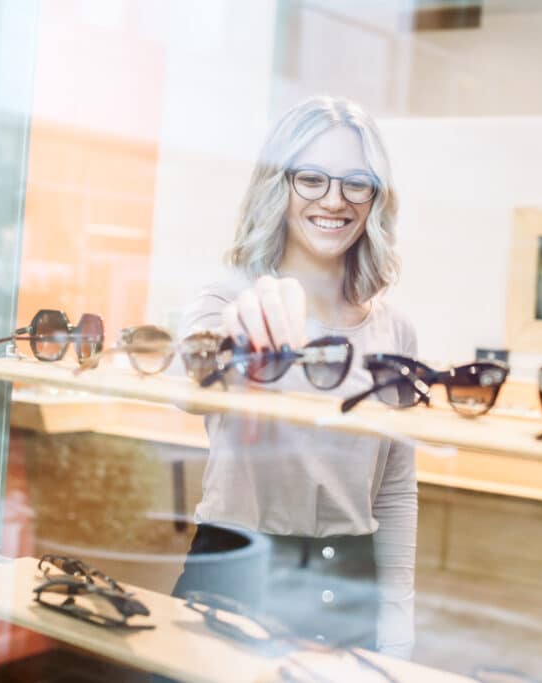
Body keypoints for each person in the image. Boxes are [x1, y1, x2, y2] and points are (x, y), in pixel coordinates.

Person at [173, 95, 417, 658]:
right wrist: (242, 330)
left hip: (352, 585)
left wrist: (398, 623)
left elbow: (396, 492)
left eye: (356, 182)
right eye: (310, 178)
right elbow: (196, 378)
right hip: (238, 570)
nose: (334, 200)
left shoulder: (394, 333)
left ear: (375, 198)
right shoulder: (223, 299)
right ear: (277, 186)